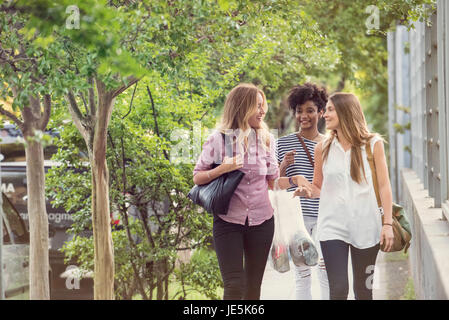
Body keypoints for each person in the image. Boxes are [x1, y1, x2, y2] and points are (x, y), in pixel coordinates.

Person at [193, 83, 311, 300]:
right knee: (234, 285)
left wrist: (295, 181)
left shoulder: (266, 139)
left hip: (262, 222)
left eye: (263, 105)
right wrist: (223, 168)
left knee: (253, 289)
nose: (262, 111)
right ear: (241, 106)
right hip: (228, 221)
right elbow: (197, 176)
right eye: (257, 105)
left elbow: (272, 182)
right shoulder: (219, 140)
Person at [297, 92, 395, 300]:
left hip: (367, 227)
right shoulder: (322, 148)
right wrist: (306, 189)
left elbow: (385, 186)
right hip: (332, 228)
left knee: (364, 291)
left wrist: (387, 224)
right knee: (339, 290)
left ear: (346, 111)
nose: (325, 115)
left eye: (331, 109)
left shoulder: (372, 144)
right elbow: (318, 187)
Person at [276, 83, 329, 300]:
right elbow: (274, 183)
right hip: (297, 217)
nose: (303, 116)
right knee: (303, 273)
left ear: (321, 112)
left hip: (326, 215)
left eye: (309, 110)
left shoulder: (329, 144)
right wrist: (284, 167)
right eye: (299, 111)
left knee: (326, 272)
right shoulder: (283, 144)